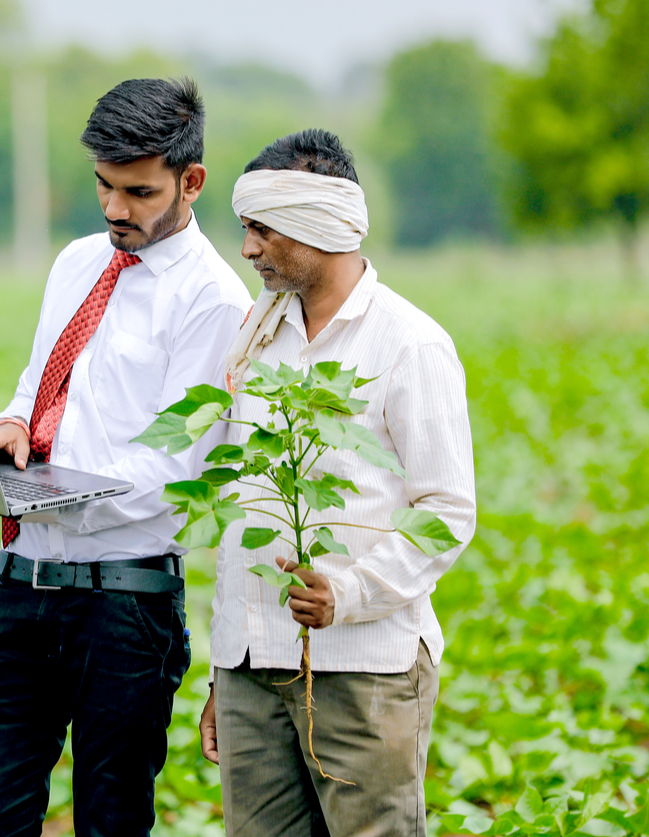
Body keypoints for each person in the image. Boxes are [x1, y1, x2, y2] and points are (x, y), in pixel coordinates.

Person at [0, 78, 250, 837]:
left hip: (123, 607)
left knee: (110, 822)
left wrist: (45, 494)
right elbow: (40, 383)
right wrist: (2, 436)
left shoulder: (212, 299)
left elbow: (180, 476)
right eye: (102, 184)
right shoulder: (74, 263)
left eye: (137, 190)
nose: (113, 209)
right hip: (19, 587)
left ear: (190, 182)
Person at [201, 129, 477, 837]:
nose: (247, 249)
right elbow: (238, 508)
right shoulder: (254, 336)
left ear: (317, 224)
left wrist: (349, 592)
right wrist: (220, 674)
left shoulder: (408, 343)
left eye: (260, 230)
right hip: (249, 669)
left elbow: (445, 508)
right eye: (244, 229)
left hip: (365, 669)